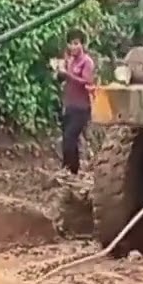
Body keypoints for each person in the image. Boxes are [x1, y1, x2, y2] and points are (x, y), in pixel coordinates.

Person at [54, 29, 95, 175]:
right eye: (71, 44)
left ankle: (67, 169)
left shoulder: (87, 62)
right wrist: (60, 74)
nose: (73, 47)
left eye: (76, 43)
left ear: (82, 45)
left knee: (69, 138)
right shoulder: (70, 61)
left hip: (82, 108)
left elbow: (87, 82)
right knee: (70, 140)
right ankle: (73, 171)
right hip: (70, 105)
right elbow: (63, 80)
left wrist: (68, 75)